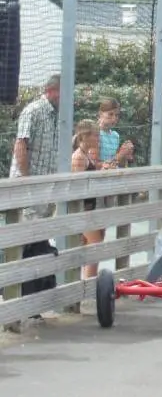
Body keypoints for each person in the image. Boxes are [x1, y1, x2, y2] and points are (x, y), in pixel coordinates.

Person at [10, 74, 59, 218]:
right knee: (28, 229)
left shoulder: (60, 115)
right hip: (29, 185)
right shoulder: (33, 111)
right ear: (50, 91)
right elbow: (21, 145)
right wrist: (27, 180)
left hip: (48, 185)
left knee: (43, 231)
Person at [70, 120, 103, 280]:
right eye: (95, 135)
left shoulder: (87, 155)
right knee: (95, 246)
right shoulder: (78, 157)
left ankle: (86, 282)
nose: (98, 139)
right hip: (83, 209)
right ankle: (90, 285)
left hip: (90, 207)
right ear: (85, 136)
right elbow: (78, 187)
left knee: (86, 245)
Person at [97, 97, 134, 168]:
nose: (114, 118)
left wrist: (125, 154)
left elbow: (119, 165)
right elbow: (95, 165)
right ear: (100, 114)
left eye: (117, 115)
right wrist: (120, 155)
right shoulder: (94, 134)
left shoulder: (115, 135)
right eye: (110, 114)